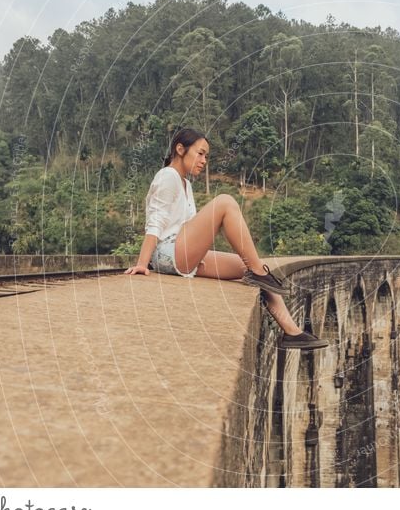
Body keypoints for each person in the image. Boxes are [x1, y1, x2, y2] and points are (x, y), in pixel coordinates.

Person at [124, 127, 329, 350]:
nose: (204, 161)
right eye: (200, 153)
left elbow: (187, 227)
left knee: (249, 267)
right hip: (167, 253)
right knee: (225, 202)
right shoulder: (168, 176)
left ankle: (292, 332)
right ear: (180, 149)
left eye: (207, 156)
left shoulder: (186, 184)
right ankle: (261, 274)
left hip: (184, 253)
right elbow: (156, 222)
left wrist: (197, 253)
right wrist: (142, 264)